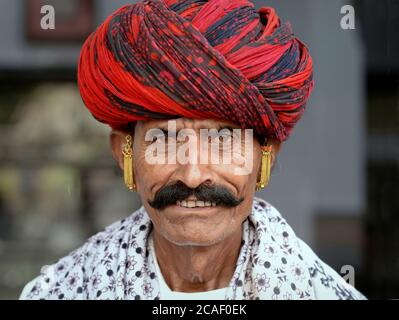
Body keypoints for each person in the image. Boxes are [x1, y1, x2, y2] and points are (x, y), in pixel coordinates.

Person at [20, 0, 365, 300]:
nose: (193, 174)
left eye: (223, 140)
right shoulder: (60, 291)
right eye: (164, 140)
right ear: (123, 152)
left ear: (266, 155)